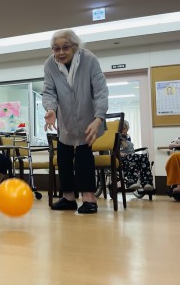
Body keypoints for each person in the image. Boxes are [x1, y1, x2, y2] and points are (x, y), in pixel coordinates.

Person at [43, 29, 109, 214]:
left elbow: (101, 91)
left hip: (89, 119)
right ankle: (68, 198)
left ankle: (89, 199)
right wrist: (51, 109)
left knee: (83, 155)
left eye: (65, 47)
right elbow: (49, 91)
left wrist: (99, 117)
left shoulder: (89, 59)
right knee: (63, 156)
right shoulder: (50, 64)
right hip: (66, 121)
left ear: (75, 46)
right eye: (56, 48)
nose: (61, 52)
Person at [120, 120, 154, 191]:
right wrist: (119, 152)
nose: (122, 131)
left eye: (124, 129)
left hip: (131, 159)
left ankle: (147, 182)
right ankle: (131, 182)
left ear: (127, 129)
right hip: (120, 161)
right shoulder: (113, 142)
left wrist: (124, 140)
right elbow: (111, 152)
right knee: (133, 157)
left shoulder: (129, 143)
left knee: (143, 156)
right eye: (120, 129)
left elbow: (131, 152)